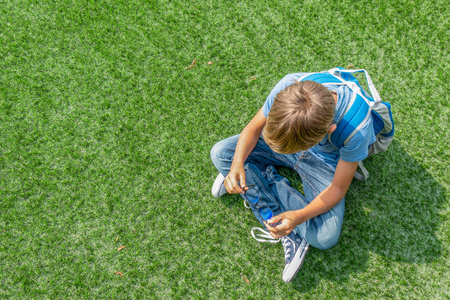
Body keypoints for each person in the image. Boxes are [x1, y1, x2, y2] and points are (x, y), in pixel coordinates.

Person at [210, 72, 376, 283]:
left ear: (329, 130)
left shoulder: (356, 130)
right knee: (221, 153)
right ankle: (250, 175)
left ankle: (258, 176)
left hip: (323, 164)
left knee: (325, 236)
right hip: (294, 139)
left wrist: (299, 216)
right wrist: (236, 165)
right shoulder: (289, 87)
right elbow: (253, 128)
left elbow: (338, 189)